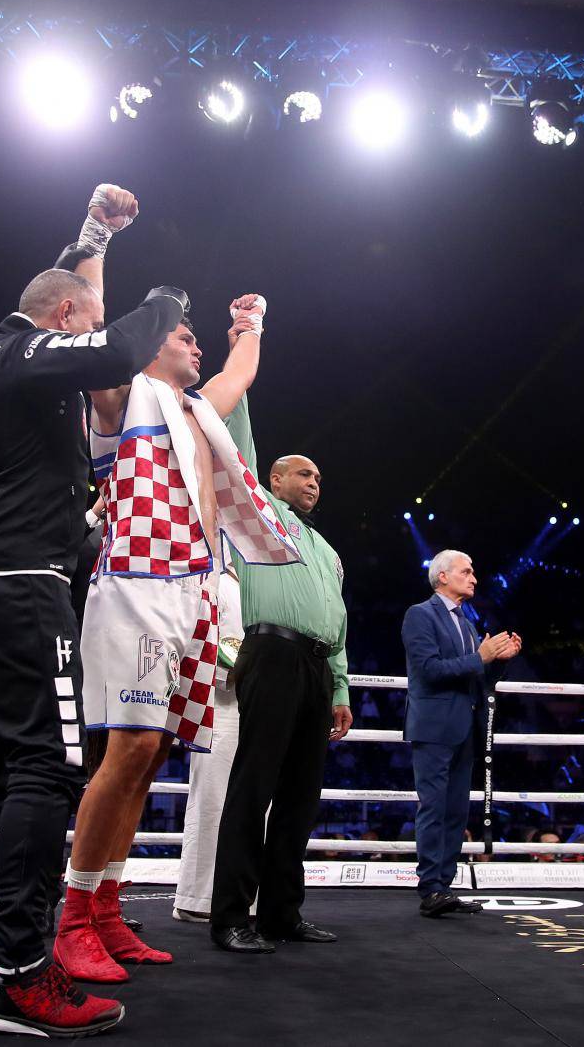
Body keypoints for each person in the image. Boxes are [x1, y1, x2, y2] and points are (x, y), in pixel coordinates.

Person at [0, 184, 188, 1035]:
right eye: (85, 314)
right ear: (63, 316)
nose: (92, 322)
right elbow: (118, 345)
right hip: (16, 589)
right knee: (46, 766)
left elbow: (82, 298)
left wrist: (94, 231)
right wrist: (169, 300)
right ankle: (25, 974)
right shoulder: (33, 351)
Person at [57, 294, 295, 983]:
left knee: (152, 752)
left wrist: (249, 324)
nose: (197, 349)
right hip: (135, 581)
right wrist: (101, 237)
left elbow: (240, 371)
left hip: (195, 590)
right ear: (153, 344)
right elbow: (94, 330)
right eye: (186, 339)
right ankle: (72, 918)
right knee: (126, 749)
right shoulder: (122, 397)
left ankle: (105, 907)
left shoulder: (196, 413)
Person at [208, 404, 353, 954]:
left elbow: (338, 621)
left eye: (318, 478)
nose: (315, 483)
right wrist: (246, 349)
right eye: (304, 473)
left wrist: (339, 687)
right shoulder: (258, 513)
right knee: (254, 786)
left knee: (300, 797)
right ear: (274, 478)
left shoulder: (328, 551)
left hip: (317, 666)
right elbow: (236, 444)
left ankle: (281, 913)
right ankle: (230, 917)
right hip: (269, 653)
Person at [402, 549, 522, 917]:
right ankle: (430, 888)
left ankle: (445, 886)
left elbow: (478, 679)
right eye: (466, 572)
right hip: (435, 726)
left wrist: (498, 663)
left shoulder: (467, 624)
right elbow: (429, 670)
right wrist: (482, 657)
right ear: (443, 576)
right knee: (434, 807)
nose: (474, 578)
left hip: (464, 728)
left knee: (455, 810)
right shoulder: (420, 615)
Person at [172, 560, 246, 921]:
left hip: (261, 692)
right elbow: (192, 620)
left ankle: (247, 897)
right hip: (219, 695)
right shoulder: (210, 567)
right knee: (211, 795)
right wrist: (222, 668)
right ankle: (196, 898)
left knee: (256, 801)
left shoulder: (263, 572)